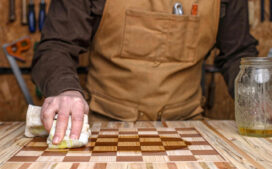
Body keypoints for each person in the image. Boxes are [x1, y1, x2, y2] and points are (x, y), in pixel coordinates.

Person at [32, 0, 258, 145]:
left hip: (189, 131)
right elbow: (56, 45)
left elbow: (238, 53)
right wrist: (65, 88)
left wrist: (258, 96)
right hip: (105, 130)